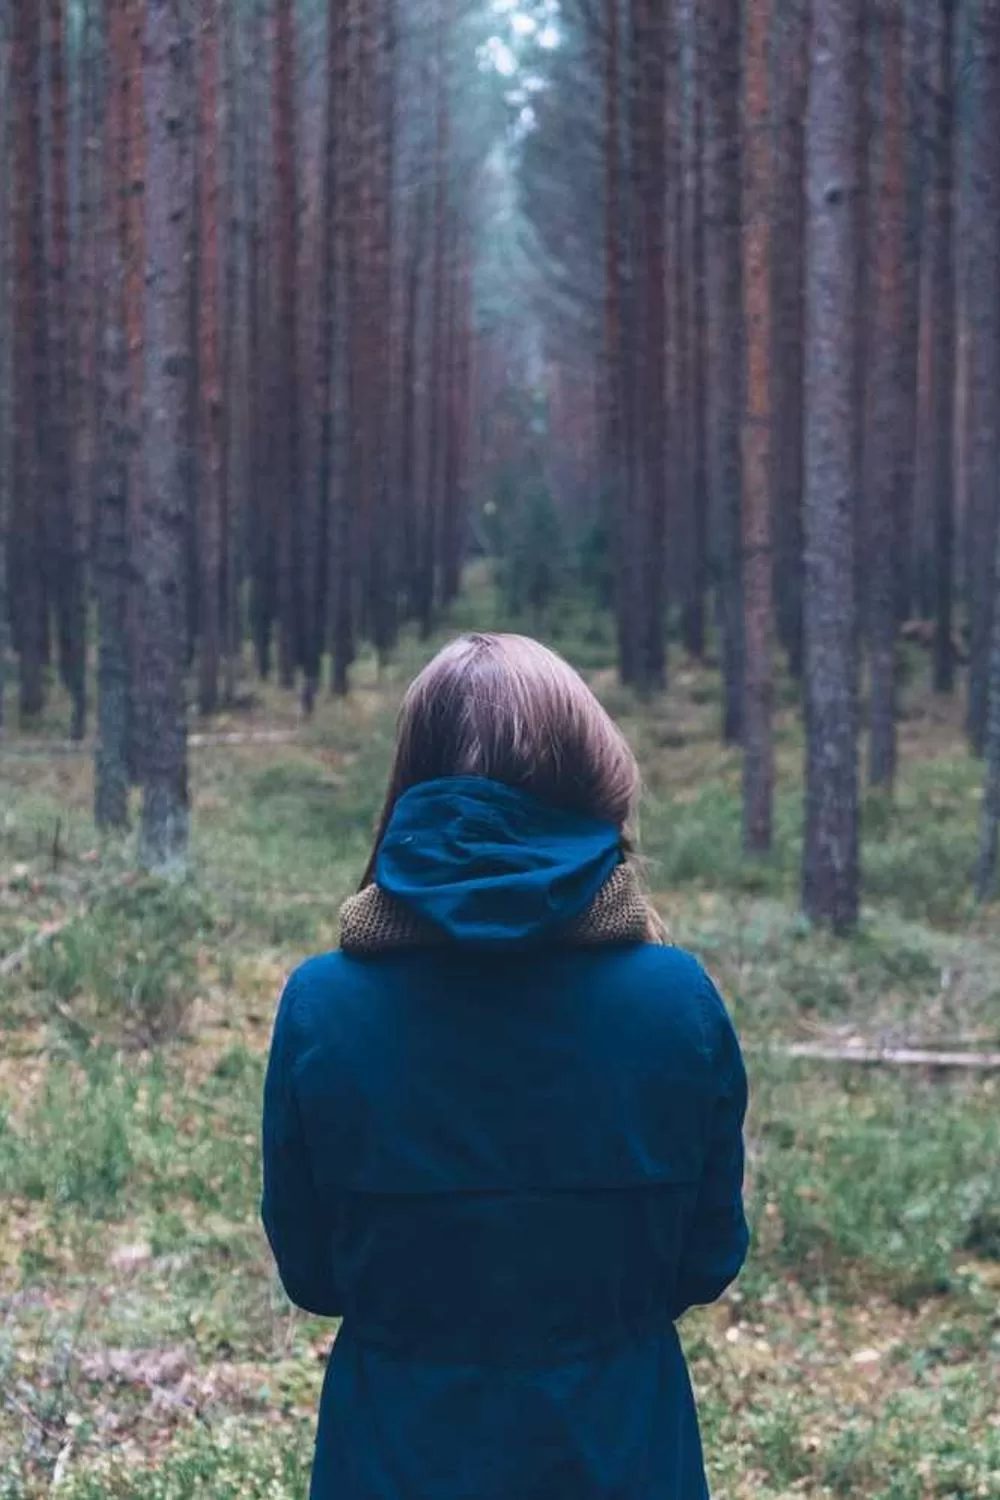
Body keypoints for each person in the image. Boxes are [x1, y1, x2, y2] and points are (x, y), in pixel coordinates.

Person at [261, 632, 749, 1500]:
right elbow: (707, 1262)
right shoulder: (678, 1000)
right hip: (623, 1453)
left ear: (411, 781)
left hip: (394, 1457)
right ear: (589, 776)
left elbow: (313, 1277)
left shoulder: (322, 1006)